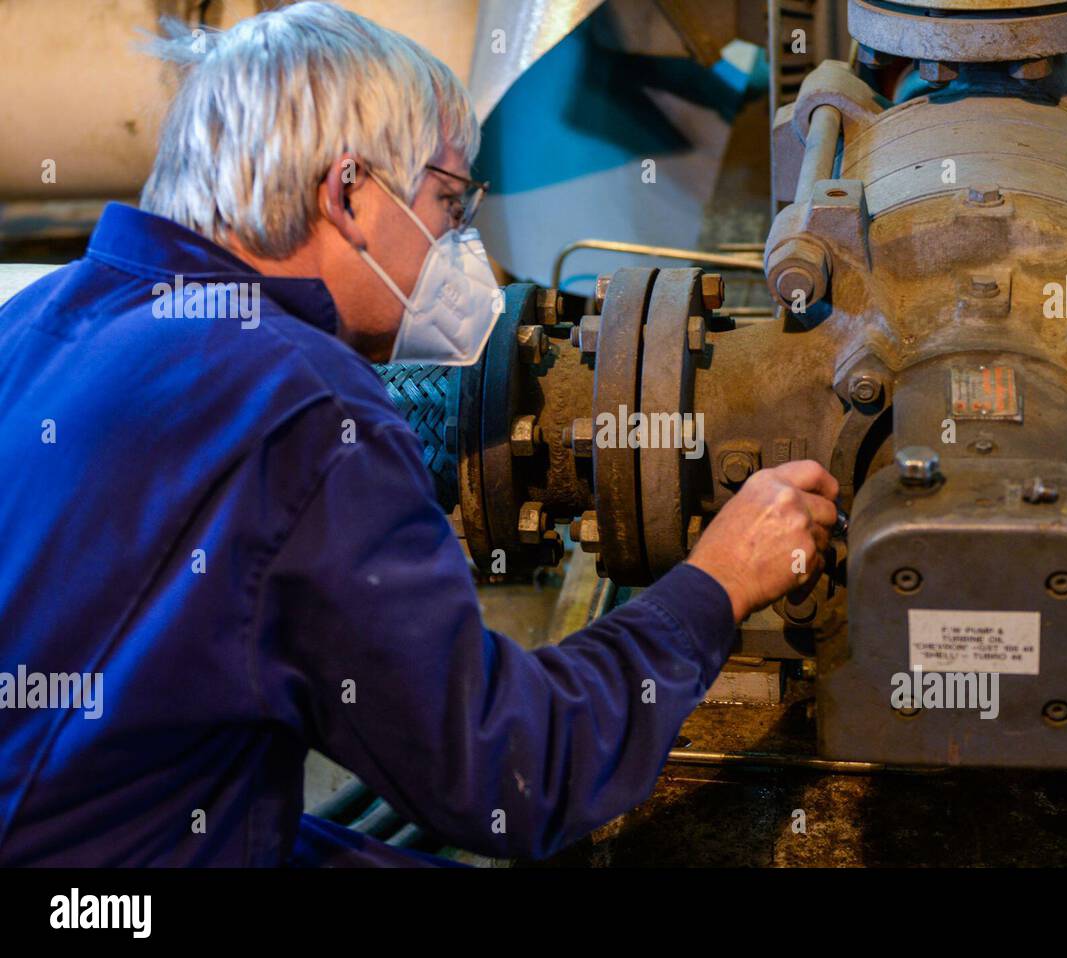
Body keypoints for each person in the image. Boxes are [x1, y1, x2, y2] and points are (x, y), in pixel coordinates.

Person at [0, 2, 838, 866]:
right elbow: (515, 775)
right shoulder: (303, 410)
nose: (459, 241)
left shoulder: (34, 319)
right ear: (352, 194)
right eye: (448, 200)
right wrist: (717, 583)